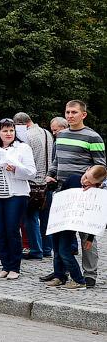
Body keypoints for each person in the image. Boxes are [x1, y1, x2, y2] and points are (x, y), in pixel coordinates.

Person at [42, 100, 106, 287]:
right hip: (62, 193)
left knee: (86, 236)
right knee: (60, 233)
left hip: (84, 193)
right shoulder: (61, 135)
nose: (70, 115)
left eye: (74, 112)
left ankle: (89, 275)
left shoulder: (93, 137)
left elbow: (101, 167)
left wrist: (93, 183)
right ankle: (60, 274)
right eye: (67, 112)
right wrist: (50, 174)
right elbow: (56, 161)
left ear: (83, 115)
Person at [0, 118, 36, 280]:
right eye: (5, 131)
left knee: (12, 230)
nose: (8, 133)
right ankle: (5, 265)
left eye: (11, 130)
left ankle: (15, 267)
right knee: (0, 230)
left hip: (16, 194)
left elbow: (31, 172)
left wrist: (15, 169)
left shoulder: (23, 148)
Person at [44, 165, 107, 290]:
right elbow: (61, 196)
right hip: (60, 220)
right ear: (87, 170)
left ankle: (79, 279)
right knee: (56, 250)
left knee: (64, 251)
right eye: (86, 177)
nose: (85, 182)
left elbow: (94, 217)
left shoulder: (95, 192)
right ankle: (59, 275)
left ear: (97, 183)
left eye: (90, 182)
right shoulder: (72, 179)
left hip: (72, 224)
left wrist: (90, 238)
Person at [13, 112, 53, 260]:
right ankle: (47, 248)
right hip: (48, 181)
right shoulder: (47, 133)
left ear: (21, 125)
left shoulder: (27, 136)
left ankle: (36, 250)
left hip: (34, 183)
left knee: (30, 218)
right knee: (45, 219)